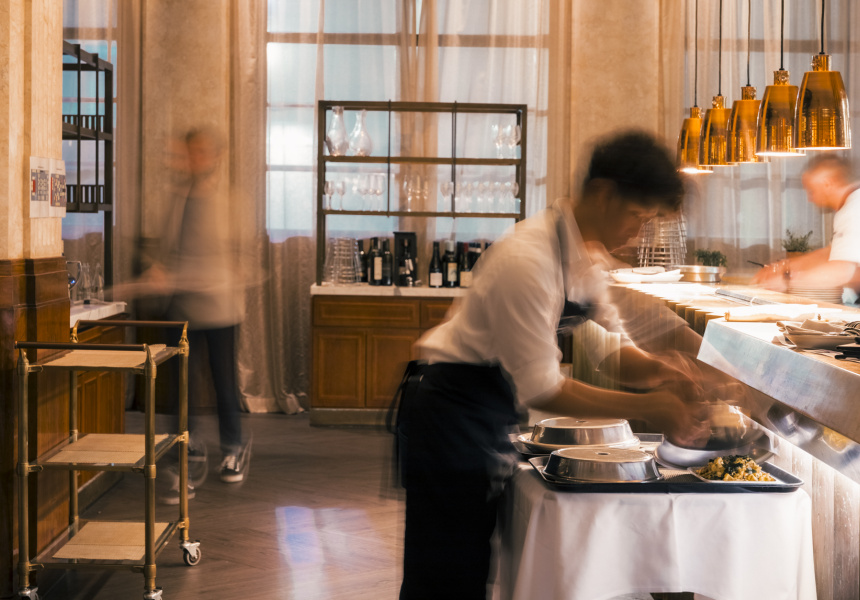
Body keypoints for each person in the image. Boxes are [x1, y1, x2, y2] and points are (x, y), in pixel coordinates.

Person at [395, 131, 708, 599]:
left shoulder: (583, 256)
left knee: (470, 564)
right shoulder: (528, 260)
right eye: (638, 217)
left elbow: (611, 349)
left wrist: (660, 371)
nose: (639, 233)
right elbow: (542, 388)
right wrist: (652, 408)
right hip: (448, 410)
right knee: (445, 577)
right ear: (603, 194)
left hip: (485, 407)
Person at [134, 127, 252, 501]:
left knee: (224, 383)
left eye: (200, 152)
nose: (193, 159)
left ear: (215, 156)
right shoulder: (175, 198)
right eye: (190, 152)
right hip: (181, 310)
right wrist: (156, 269)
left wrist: (233, 271)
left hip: (220, 309)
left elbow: (243, 254)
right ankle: (186, 452)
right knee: (181, 387)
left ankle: (233, 448)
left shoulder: (229, 200)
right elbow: (164, 250)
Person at [752, 154, 860, 303]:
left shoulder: (854, 208)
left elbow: (842, 271)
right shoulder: (851, 204)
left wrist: (786, 280)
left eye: (811, 191)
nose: (810, 199)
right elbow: (831, 253)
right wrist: (783, 267)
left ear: (828, 183)